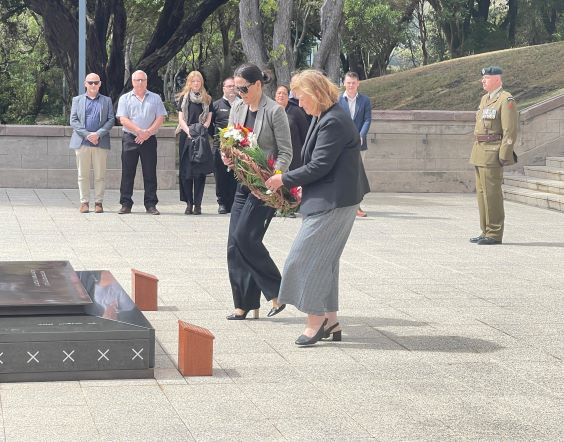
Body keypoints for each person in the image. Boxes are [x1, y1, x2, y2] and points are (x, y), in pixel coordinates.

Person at [266, 69, 370, 345]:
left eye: (301, 98)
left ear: (315, 94)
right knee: (325, 262)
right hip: (332, 198)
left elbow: (320, 165)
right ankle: (331, 321)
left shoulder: (333, 120)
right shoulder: (325, 115)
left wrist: (283, 179)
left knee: (304, 259)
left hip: (334, 201)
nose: (299, 103)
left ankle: (315, 322)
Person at [222, 63, 292, 320]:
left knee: (246, 238)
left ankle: (277, 291)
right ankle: (244, 303)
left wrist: (276, 176)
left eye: (243, 88)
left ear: (258, 85)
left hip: (265, 186)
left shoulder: (275, 111)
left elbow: (286, 152)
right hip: (242, 182)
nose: (239, 93)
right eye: (236, 88)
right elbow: (229, 141)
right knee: (234, 244)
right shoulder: (238, 107)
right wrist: (226, 156)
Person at [469, 66, 518, 245]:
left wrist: (504, 154)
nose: (483, 81)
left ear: (497, 79)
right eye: (483, 78)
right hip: (480, 151)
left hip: (493, 152)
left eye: (487, 78)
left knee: (492, 194)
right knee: (482, 194)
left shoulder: (506, 100)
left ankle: (495, 233)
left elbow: (510, 130)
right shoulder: (485, 99)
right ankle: (485, 230)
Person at [116, 70, 167, 215]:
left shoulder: (155, 98)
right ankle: (126, 203)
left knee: (150, 172)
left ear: (146, 81)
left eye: (142, 80)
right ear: (132, 81)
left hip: (149, 139)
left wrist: (147, 133)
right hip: (130, 138)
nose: (140, 82)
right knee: (127, 172)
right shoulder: (125, 98)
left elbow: (160, 118)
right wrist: (139, 131)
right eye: (137, 80)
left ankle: (151, 204)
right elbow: (123, 119)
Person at [69, 73, 115, 213]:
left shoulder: (106, 100)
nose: (93, 85)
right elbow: (73, 120)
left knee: (100, 174)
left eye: (96, 82)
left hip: (100, 143)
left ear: (100, 84)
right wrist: (88, 135)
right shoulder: (77, 100)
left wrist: (98, 134)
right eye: (90, 82)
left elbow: (111, 119)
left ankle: (98, 202)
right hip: (82, 142)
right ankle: (84, 202)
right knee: (82, 174)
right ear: (85, 84)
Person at [176, 71, 213, 215]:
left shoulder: (207, 99)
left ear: (201, 82)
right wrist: (189, 132)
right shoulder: (183, 99)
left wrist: (200, 130)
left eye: (198, 81)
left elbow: (208, 119)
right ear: (189, 83)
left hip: (201, 137)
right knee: (186, 172)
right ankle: (189, 203)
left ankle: (198, 204)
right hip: (186, 137)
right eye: (193, 81)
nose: (196, 84)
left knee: (199, 172)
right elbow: (181, 119)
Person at [338, 71, 372, 217]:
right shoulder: (338, 100)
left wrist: (361, 135)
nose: (351, 85)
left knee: (357, 176)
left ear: (358, 83)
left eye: (353, 83)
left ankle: (356, 205)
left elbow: (367, 119)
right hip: (341, 145)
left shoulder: (365, 100)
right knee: (342, 175)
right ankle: (341, 204)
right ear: (344, 83)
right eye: (348, 82)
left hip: (359, 144)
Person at [211, 77, 239, 214]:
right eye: (229, 86)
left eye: (234, 86)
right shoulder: (216, 105)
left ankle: (233, 202)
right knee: (220, 176)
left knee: (235, 175)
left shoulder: (242, 104)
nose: (232, 88)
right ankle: (222, 202)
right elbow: (210, 126)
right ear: (223, 89)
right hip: (219, 147)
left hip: (238, 147)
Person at [274, 85, 309, 171]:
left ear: (288, 97)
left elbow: (305, 134)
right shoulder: (271, 111)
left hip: (295, 156)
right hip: (276, 157)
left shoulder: (296, 111)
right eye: (279, 93)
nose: (281, 95)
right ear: (275, 96)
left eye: (284, 94)